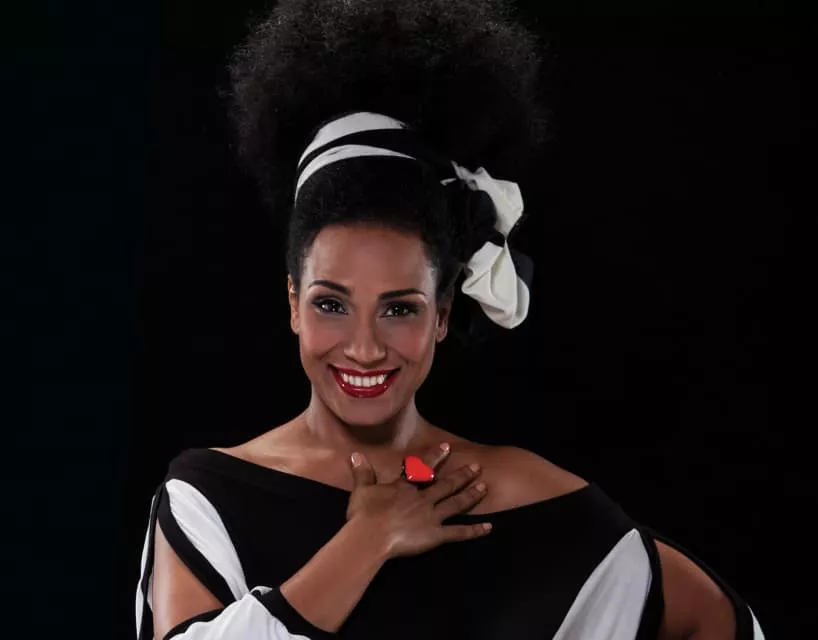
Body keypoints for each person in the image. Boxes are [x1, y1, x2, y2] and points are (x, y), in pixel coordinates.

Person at [135, 1, 765, 638]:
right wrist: (366, 541)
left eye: (399, 308)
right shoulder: (207, 496)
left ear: (441, 314)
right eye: (332, 303)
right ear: (293, 301)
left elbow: (711, 620)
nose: (363, 347)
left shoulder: (521, 496)